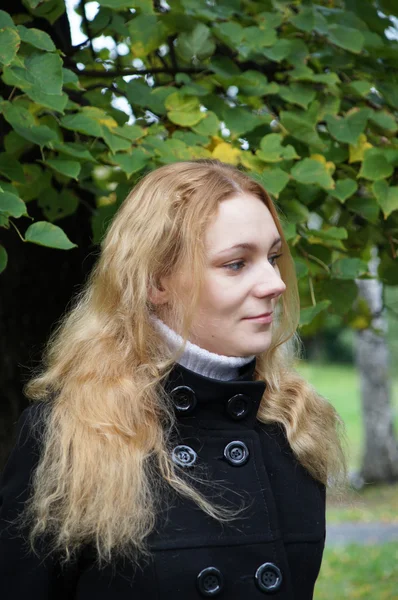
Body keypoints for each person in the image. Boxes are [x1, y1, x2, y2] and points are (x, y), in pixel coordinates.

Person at [0, 159, 346, 599]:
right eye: (237, 263)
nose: (275, 283)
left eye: (273, 257)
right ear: (156, 282)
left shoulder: (294, 423)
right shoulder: (72, 434)